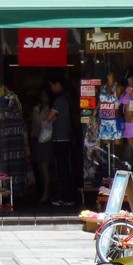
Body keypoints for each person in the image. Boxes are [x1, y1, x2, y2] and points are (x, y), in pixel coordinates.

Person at [46, 76, 75, 207]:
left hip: (60, 138)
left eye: (52, 85)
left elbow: (49, 117)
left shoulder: (60, 99)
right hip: (66, 137)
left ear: (58, 84)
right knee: (65, 168)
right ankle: (67, 197)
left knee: (62, 169)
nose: (52, 88)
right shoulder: (68, 98)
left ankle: (65, 197)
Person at [29, 87, 53, 204]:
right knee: (40, 167)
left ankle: (46, 193)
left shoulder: (48, 109)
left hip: (46, 140)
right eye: (42, 95)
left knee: (44, 167)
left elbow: (42, 122)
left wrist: (35, 113)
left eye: (45, 96)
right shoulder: (42, 108)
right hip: (39, 140)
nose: (43, 98)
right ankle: (43, 191)